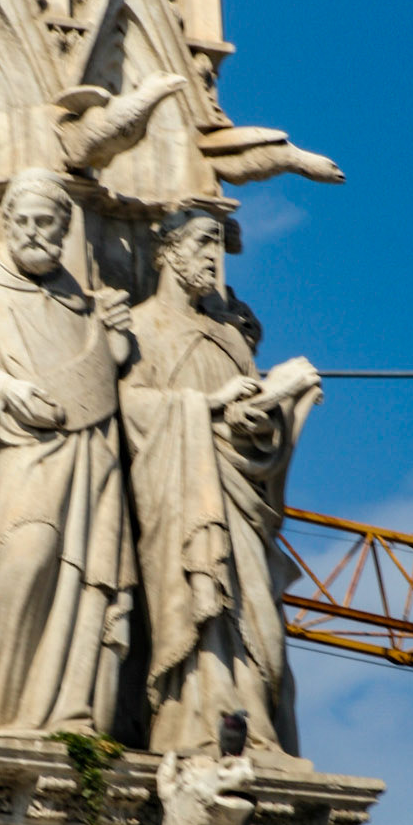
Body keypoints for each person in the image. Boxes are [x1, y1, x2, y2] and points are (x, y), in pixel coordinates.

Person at [121, 207, 320, 758]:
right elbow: (130, 405)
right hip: (181, 495)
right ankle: (197, 727)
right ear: (166, 250)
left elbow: (256, 430)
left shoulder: (232, 339)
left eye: (219, 246)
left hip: (239, 496)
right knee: (200, 605)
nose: (214, 257)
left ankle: (255, 727)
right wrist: (202, 407)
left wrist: (274, 406)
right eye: (202, 241)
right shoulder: (140, 328)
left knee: (262, 623)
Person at [0, 169, 135, 735]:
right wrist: (2, 389)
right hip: (18, 450)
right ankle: (1, 710)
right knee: (25, 556)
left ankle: (68, 713)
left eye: (44, 221)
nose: (32, 231)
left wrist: (115, 341)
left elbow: (99, 378)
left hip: (90, 459)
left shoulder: (81, 300)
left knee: (81, 579)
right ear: (6, 222)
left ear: (65, 228)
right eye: (21, 220)